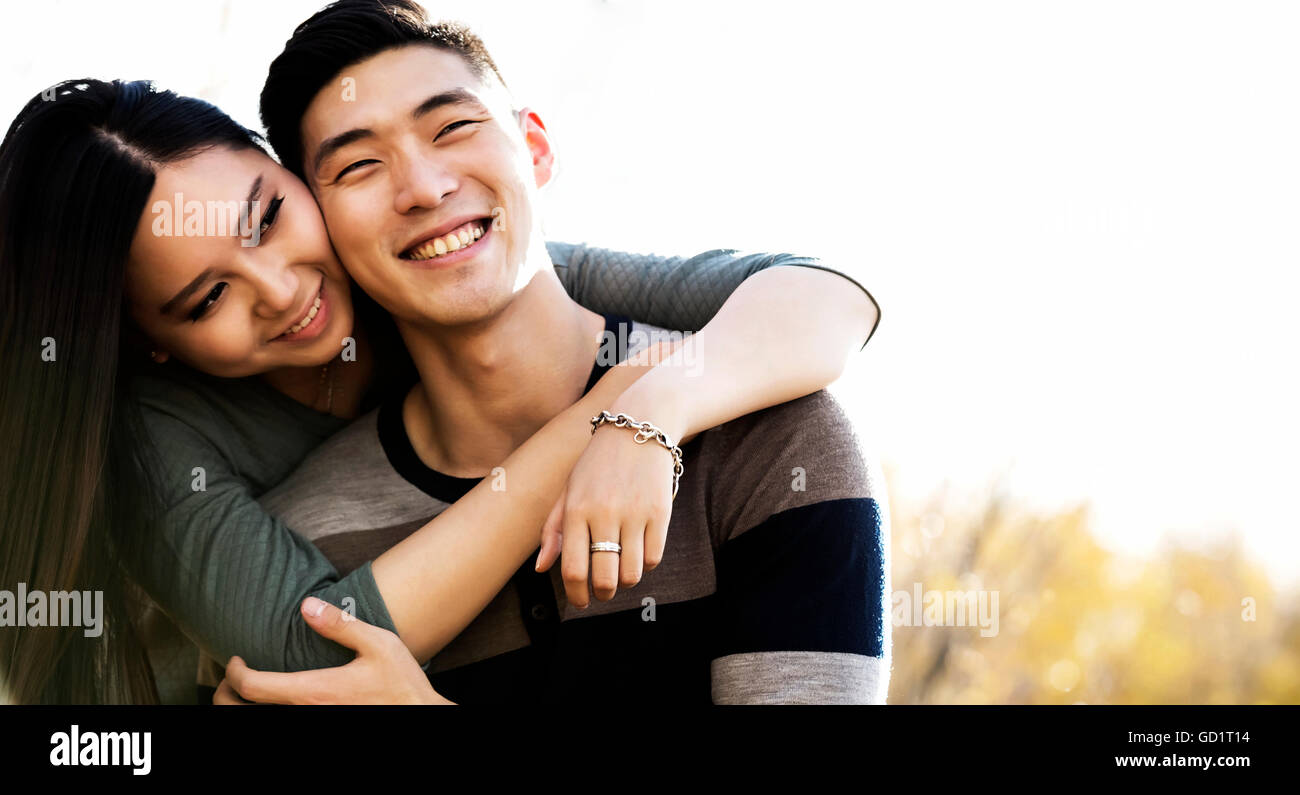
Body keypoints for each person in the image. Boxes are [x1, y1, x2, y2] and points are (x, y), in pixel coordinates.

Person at [0, 25, 879, 704]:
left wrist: (653, 412)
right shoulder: (162, 446)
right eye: (205, 300)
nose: (278, 289)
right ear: (153, 344)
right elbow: (311, 649)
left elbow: (816, 293)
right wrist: (604, 417)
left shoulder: (459, 263)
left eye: (267, 219)